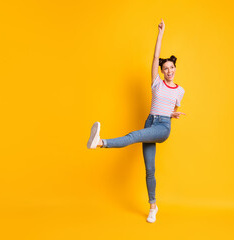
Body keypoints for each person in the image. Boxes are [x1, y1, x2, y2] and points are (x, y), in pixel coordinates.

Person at [86, 18, 185, 223]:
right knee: (149, 169)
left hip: (162, 128)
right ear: (162, 71)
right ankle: (153, 206)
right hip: (150, 121)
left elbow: (173, 109)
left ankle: (101, 142)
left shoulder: (180, 91)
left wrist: (172, 115)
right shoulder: (156, 82)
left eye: (171, 67)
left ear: (175, 69)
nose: (169, 71)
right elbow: (156, 55)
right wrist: (160, 33)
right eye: (165, 68)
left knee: (134, 136)